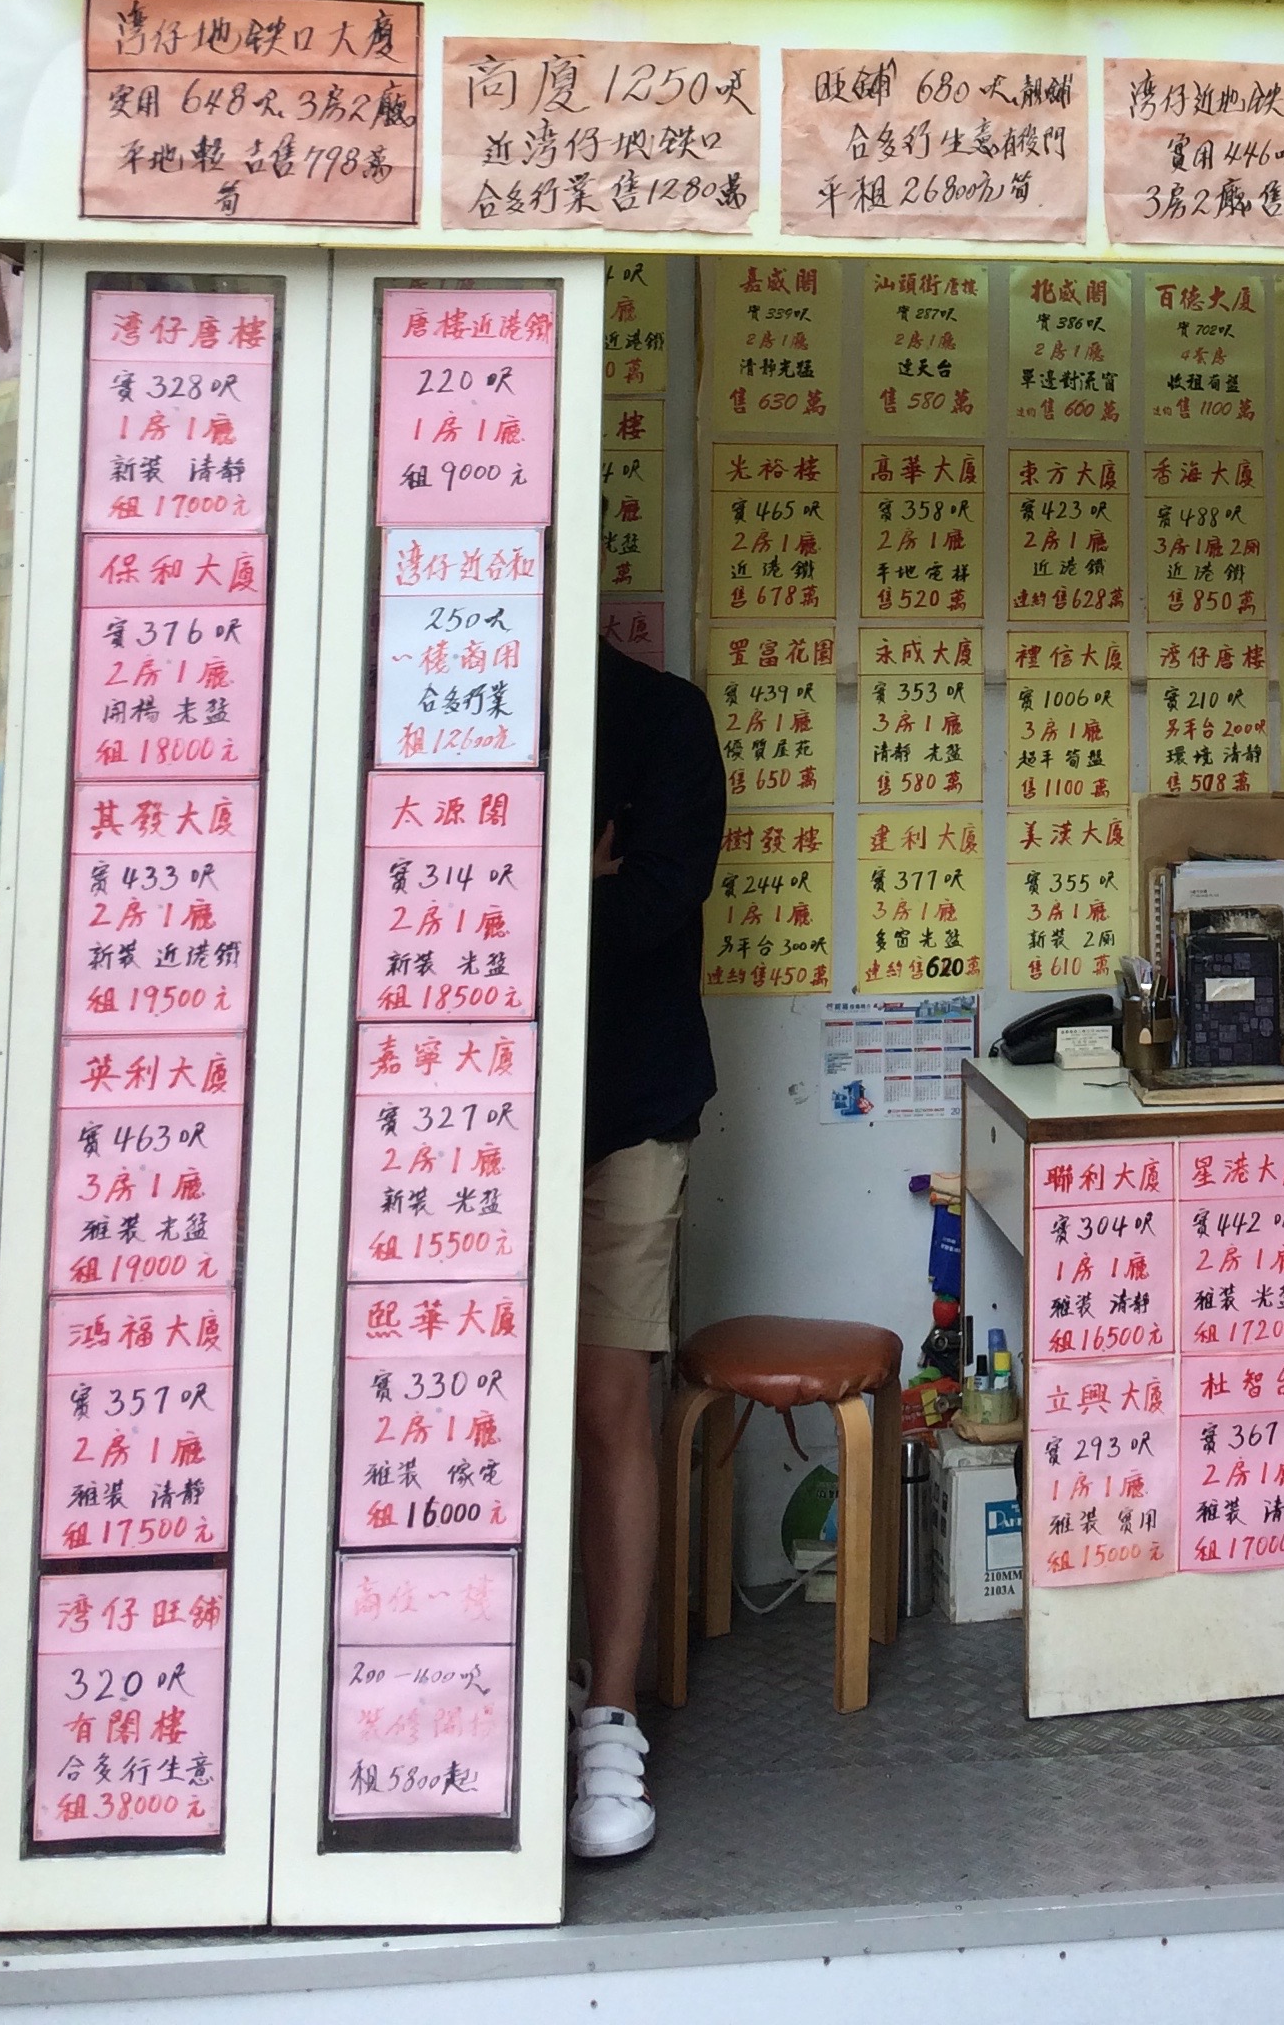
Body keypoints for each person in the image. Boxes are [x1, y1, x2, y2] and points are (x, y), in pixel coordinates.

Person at [569, 633, 726, 1862]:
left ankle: (610, 1714)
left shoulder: (667, 720)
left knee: (612, 1398)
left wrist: (543, 893)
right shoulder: (427, 711)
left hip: (628, 1115)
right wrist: (577, 878)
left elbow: (654, 906)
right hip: (458, 1121)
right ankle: (516, 1675)